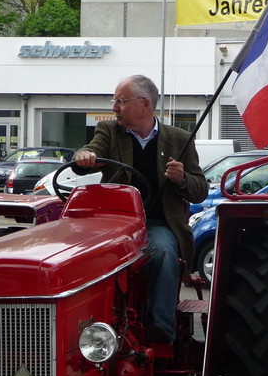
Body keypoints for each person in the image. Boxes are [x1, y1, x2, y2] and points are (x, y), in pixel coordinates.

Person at [74, 75, 207, 343]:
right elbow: (91, 151)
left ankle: (160, 330)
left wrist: (181, 179)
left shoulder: (179, 139)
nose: (114, 108)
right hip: (111, 225)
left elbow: (200, 190)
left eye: (120, 102)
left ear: (144, 104)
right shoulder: (109, 131)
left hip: (156, 223)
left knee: (165, 251)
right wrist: (83, 157)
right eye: (115, 101)